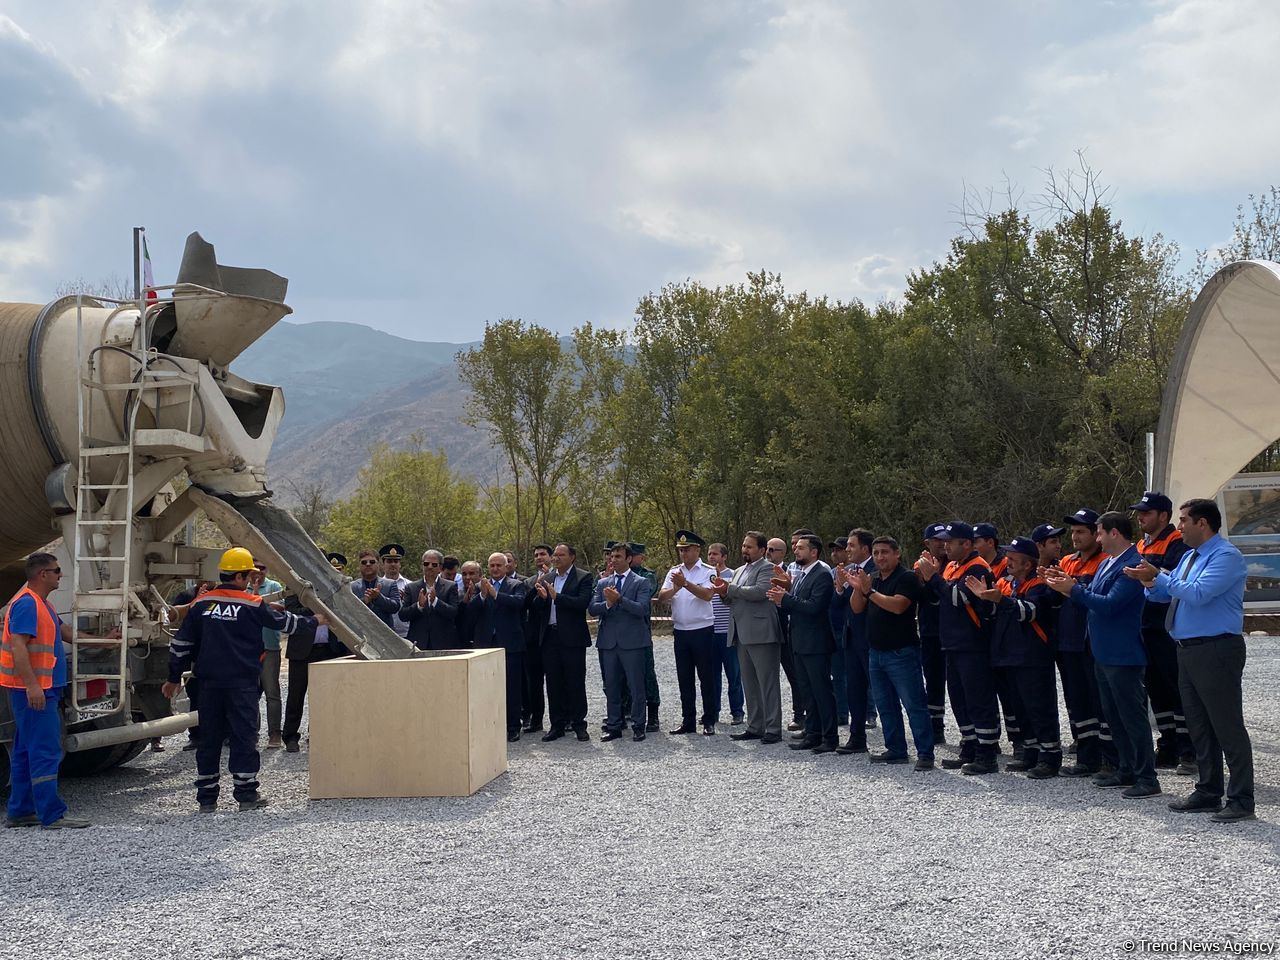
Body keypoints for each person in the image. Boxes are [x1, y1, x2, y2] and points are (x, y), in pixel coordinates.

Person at [163, 547, 323, 812]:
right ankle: (246, 794)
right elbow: (285, 623)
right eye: (248, 574)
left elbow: (180, 643)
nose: (250, 579)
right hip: (242, 683)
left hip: (209, 684)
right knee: (243, 736)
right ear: (239, 576)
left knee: (209, 738)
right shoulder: (252, 604)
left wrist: (172, 677)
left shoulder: (201, 604)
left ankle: (206, 798)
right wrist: (314, 620)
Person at [1124, 498, 1254, 823]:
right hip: (1188, 648)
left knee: (1227, 725)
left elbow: (1197, 593)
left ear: (1202, 523)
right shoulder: (1189, 557)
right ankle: (1208, 791)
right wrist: (1149, 582)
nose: (1179, 526)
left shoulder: (1226, 557)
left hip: (1216, 648)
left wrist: (1161, 576)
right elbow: (1168, 594)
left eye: (1183, 520)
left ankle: (1241, 799)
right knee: (1198, 724)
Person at [1045, 512, 1160, 799]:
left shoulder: (1133, 565)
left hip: (1123, 653)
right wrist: (1070, 585)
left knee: (1132, 717)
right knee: (1114, 715)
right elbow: (1092, 597)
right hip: (1103, 652)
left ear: (1114, 533)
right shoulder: (1109, 562)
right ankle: (1126, 768)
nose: (1096, 538)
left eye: (1099, 532)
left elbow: (1109, 605)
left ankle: (1147, 777)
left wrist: (1073, 590)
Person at [2, 552, 90, 829]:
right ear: (42, 574)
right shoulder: (28, 604)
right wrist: (33, 687)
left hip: (39, 688)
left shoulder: (41, 604)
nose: (60, 574)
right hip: (34, 690)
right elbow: (18, 645)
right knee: (46, 750)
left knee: (26, 750)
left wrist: (105, 640)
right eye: (57, 570)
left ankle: (20, 811)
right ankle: (52, 815)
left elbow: (64, 632)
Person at [969, 537, 1064, 778]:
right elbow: (994, 614)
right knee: (1020, 709)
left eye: (1013, 559)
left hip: (1032, 657)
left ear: (1028, 564)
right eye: (1008, 557)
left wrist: (999, 600)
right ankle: (1030, 752)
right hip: (1009, 656)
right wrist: (986, 600)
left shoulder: (1039, 585)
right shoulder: (1006, 584)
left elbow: (1029, 612)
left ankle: (1050, 757)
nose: (1008, 562)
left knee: (1039, 708)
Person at [916, 522, 1000, 775]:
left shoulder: (977, 567)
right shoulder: (952, 565)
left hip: (972, 643)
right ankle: (970, 747)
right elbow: (937, 598)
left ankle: (987, 754)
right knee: (959, 699)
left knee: (978, 699)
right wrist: (931, 579)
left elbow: (957, 598)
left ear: (967, 544)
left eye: (950, 541)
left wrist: (933, 577)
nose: (945, 545)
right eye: (943, 541)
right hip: (952, 642)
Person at [851, 536, 934, 770]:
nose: (880, 557)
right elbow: (857, 608)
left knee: (914, 704)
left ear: (897, 553)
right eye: (876, 553)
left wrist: (869, 593)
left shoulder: (906, 577)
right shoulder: (873, 578)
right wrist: (859, 589)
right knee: (885, 705)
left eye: (885, 552)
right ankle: (896, 749)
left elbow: (898, 606)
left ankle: (926, 753)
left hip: (902, 652)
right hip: (876, 653)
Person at [1130, 491, 1196, 774]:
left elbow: (1171, 578)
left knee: (1176, 687)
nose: (1140, 517)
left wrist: (1147, 574)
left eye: (1146, 512)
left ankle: (1188, 750)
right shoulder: (1142, 543)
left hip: (1166, 626)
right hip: (1145, 627)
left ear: (1163, 516)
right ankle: (1167, 745)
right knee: (1156, 690)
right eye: (1139, 512)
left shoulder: (1176, 541)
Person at [711, 531, 783, 744]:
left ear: (762, 550)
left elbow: (761, 591)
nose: (745, 550)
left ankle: (773, 728)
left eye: (750, 547)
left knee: (767, 683)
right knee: (749, 683)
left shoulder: (768, 567)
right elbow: (731, 599)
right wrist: (722, 593)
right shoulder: (739, 570)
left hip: (762, 633)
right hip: (741, 632)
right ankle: (755, 725)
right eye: (744, 546)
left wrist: (730, 588)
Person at [771, 534, 838, 753]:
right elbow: (797, 604)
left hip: (816, 643)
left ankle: (830, 737)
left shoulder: (822, 575)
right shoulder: (800, 574)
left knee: (821, 691)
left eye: (801, 548)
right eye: (796, 548)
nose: (796, 551)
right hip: (799, 641)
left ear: (814, 552)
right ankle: (813, 733)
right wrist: (784, 596)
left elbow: (814, 607)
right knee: (807, 691)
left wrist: (786, 599)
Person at [659, 530, 721, 736]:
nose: (683, 554)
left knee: (707, 677)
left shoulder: (708, 570)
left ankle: (709, 719)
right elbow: (662, 597)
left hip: (702, 630)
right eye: (680, 550)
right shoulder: (674, 571)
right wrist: (676, 587)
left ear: (697, 550)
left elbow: (707, 595)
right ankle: (688, 720)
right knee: (684, 678)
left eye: (687, 550)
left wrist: (685, 583)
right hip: (681, 631)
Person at [591, 542, 654, 742]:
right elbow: (592, 608)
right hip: (608, 643)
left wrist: (619, 600)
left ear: (628, 559)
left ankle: (638, 725)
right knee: (611, 686)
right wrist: (608, 604)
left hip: (633, 642)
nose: (613, 560)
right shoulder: (603, 583)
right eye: (611, 556)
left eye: (618, 556)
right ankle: (614, 725)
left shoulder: (641, 582)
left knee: (636, 686)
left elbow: (642, 609)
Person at [531, 543, 594, 742]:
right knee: (553, 683)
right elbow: (537, 608)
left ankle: (579, 725)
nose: (556, 558)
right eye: (555, 555)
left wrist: (557, 597)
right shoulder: (548, 578)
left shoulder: (583, 577)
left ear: (572, 557)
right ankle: (556, 725)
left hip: (572, 638)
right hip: (550, 637)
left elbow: (582, 604)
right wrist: (541, 599)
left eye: (561, 555)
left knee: (575, 682)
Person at [473, 553, 529, 742]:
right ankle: (491, 725)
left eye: (499, 565)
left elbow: (519, 603)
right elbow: (471, 611)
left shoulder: (516, 585)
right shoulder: (481, 586)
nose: (495, 569)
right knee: (487, 687)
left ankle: (513, 726)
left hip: (510, 643)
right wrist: (482, 595)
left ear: (506, 567)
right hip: (487, 642)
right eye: (492, 565)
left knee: (512, 687)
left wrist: (496, 595)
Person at [281, 593, 344, 754]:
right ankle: (290, 737)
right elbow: (292, 613)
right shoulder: (295, 588)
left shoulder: (330, 588)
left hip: (328, 651)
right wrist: (316, 607)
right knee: (296, 695)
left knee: (325, 697)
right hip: (302, 652)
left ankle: (319, 734)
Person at [834, 528, 877, 754]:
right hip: (851, 638)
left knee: (881, 690)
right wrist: (841, 588)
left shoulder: (875, 570)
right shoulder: (849, 571)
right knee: (854, 690)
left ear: (864, 548)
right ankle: (856, 737)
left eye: (851, 546)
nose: (847, 550)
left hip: (871, 638)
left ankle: (895, 741)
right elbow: (838, 606)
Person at [768, 536, 807, 733]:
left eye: (773, 550)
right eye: (767, 549)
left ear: (782, 553)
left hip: (788, 628)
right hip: (767, 629)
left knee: (795, 674)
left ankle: (800, 714)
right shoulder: (761, 570)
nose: (769, 553)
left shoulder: (793, 569)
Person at [916, 524, 949, 744]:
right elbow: (926, 597)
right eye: (936, 539)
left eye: (944, 539)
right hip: (930, 631)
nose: (942, 543)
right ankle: (936, 726)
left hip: (954, 631)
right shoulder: (921, 566)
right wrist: (928, 577)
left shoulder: (955, 563)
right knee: (934, 680)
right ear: (927, 543)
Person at [248, 561, 285, 748]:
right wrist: (258, 600)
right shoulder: (244, 588)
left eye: (262, 568)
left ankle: (275, 734)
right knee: (249, 692)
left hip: (269, 647)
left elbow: (280, 608)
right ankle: (251, 732)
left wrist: (257, 601)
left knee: (272, 692)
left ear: (266, 570)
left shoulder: (274, 586)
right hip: (247, 649)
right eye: (254, 568)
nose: (258, 572)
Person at [708, 541, 744, 725]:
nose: (712, 557)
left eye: (715, 554)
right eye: (710, 554)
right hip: (709, 632)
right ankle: (713, 712)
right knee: (712, 676)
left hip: (728, 632)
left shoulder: (734, 575)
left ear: (724, 557)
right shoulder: (705, 575)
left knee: (734, 675)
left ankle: (737, 711)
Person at [627, 542, 662, 732]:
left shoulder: (646, 576)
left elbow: (644, 594)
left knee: (647, 674)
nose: (632, 559)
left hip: (641, 632)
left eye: (635, 555)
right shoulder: (613, 574)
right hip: (622, 633)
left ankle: (653, 715)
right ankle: (626, 712)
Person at [521, 544, 554, 734]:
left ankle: (562, 719)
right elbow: (526, 605)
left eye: (543, 554)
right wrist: (537, 586)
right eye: (536, 555)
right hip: (533, 638)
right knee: (534, 682)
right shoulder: (529, 582)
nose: (539, 558)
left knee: (556, 680)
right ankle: (536, 719)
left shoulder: (559, 578)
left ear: (550, 557)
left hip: (553, 636)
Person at [399, 550, 460, 650]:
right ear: (422, 566)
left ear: (440, 568)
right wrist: (418, 606)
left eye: (434, 564)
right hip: (418, 643)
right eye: (426, 564)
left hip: (443, 643)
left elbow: (453, 612)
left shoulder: (451, 586)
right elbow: (403, 615)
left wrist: (436, 601)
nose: (430, 567)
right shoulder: (411, 587)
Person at [827, 536, 851, 726]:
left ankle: (869, 713)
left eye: (839, 549)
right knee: (838, 674)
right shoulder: (831, 572)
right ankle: (842, 713)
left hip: (850, 626)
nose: (835, 553)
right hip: (834, 627)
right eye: (833, 550)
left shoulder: (856, 571)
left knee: (857, 672)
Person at [351, 549, 400, 628]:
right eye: (364, 562)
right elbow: (348, 610)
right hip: (360, 635)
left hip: (385, 635)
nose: (368, 564)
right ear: (359, 565)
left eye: (372, 562)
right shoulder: (352, 587)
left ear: (378, 564)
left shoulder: (390, 584)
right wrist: (364, 601)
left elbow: (395, 607)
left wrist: (378, 597)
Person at [379, 543, 412, 640]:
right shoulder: (378, 586)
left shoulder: (410, 585)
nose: (393, 564)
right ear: (383, 564)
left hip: (407, 634)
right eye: (389, 561)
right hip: (384, 634)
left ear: (400, 564)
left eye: (396, 561)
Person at [454, 561, 485, 648]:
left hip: (484, 642)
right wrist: (464, 602)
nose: (467, 577)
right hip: (463, 643)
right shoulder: (456, 594)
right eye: (464, 574)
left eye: (471, 574)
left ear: (480, 575)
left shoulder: (488, 592)